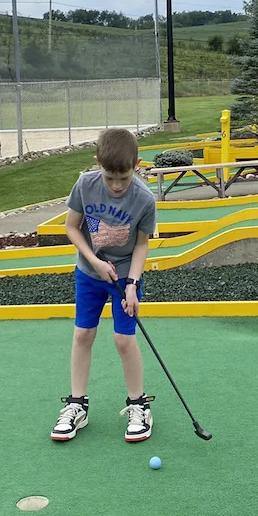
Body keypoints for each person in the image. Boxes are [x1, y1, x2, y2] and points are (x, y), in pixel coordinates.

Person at [51, 127, 157, 443]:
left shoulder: (144, 199)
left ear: (136, 165)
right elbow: (72, 227)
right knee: (83, 334)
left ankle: (139, 405)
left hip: (125, 277)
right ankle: (77, 404)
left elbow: (141, 246)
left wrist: (132, 285)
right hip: (89, 273)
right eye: (109, 177)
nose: (115, 185)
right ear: (97, 162)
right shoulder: (85, 185)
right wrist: (94, 261)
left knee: (124, 341)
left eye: (123, 179)